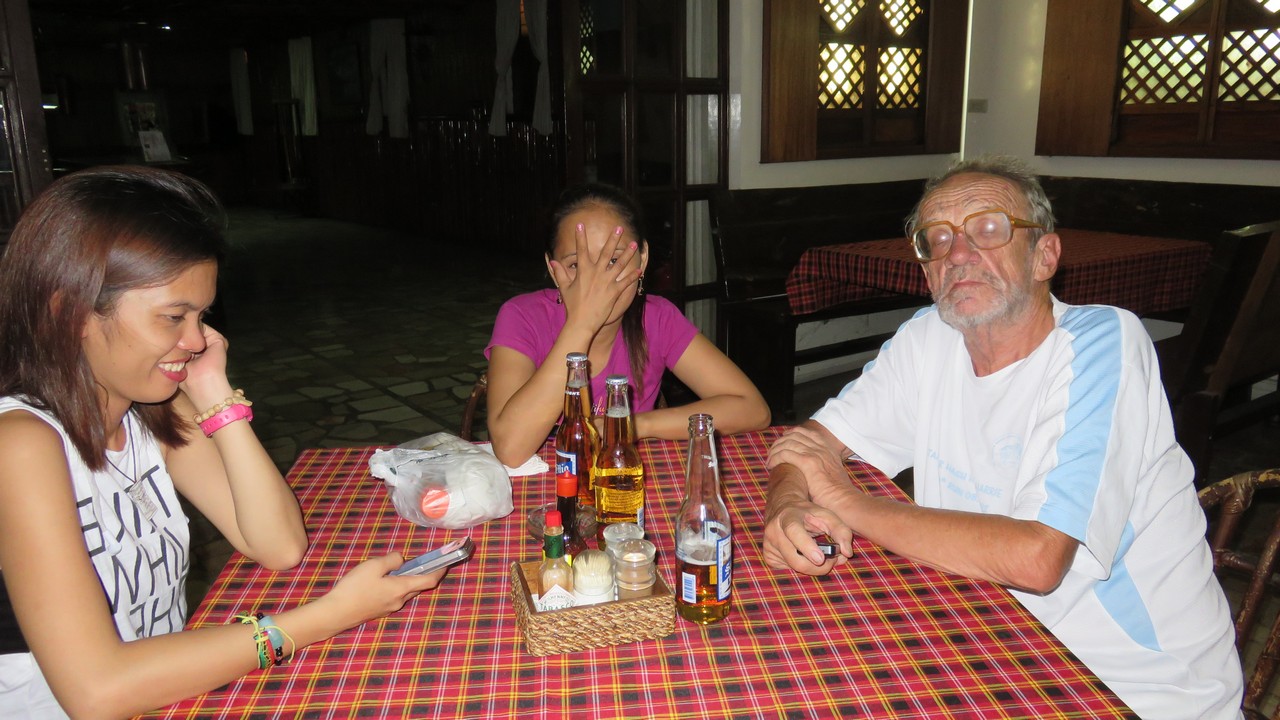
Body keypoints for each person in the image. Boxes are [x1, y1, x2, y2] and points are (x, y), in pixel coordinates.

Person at [762, 155, 1243, 719]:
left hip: (1132, 687)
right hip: (986, 641)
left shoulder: (1103, 342)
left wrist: (840, 498)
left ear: (1045, 255)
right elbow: (808, 443)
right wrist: (788, 504)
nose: (958, 253)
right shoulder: (929, 338)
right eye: (937, 238)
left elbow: (1038, 558)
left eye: (989, 228)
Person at [0, 167, 448, 719]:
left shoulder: (147, 412)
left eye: (201, 316)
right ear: (68, 313)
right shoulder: (21, 445)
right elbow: (97, 691)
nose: (195, 340)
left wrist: (213, 391)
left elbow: (278, 545)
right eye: (172, 317)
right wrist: (330, 614)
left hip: (165, 694)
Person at [485, 182, 770, 466]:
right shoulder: (521, 316)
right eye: (576, 265)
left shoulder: (658, 319)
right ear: (552, 268)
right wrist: (582, 323)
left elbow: (752, 409)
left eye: (614, 261)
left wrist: (631, 424)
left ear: (642, 260)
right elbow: (511, 449)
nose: (597, 284)